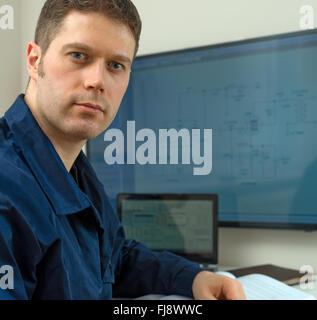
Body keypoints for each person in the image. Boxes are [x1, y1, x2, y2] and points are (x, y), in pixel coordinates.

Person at [0, 0, 245, 300]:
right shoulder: (7, 189)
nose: (97, 81)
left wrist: (194, 279)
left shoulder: (77, 172)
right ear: (34, 60)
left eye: (115, 65)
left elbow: (115, 261)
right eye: (78, 55)